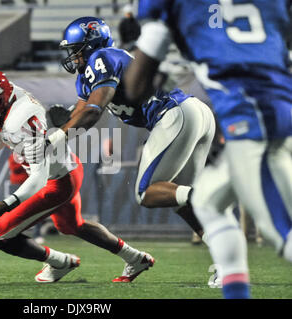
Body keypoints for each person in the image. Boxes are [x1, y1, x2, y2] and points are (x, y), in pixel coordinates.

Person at [125, 0, 292, 299]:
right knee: (209, 203)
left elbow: (136, 87)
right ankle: (231, 282)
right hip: (281, 106)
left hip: (252, 117)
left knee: (283, 232)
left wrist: (160, 75)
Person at [0, 69, 155, 283]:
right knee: (72, 226)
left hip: (55, 182)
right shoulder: (10, 98)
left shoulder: (20, 120)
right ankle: (136, 258)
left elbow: (38, 178)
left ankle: (60, 262)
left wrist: (7, 204)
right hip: (64, 169)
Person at [31, 17, 215, 260]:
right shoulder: (90, 72)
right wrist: (61, 124)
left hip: (174, 113)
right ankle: (226, 260)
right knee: (180, 200)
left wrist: (53, 140)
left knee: (146, 193)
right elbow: (79, 113)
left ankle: (213, 195)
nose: (73, 58)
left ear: (90, 45)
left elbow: (91, 112)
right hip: (195, 113)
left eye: (75, 51)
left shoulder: (101, 57)